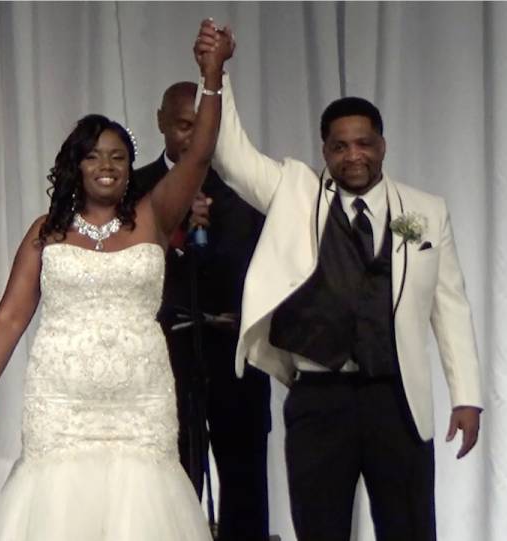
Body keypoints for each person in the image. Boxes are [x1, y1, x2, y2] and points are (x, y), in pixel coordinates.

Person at [195, 27, 484, 541]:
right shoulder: (296, 192)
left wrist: (466, 396)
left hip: (396, 397)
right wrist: (215, 76)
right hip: (319, 397)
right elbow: (230, 154)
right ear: (324, 150)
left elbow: (450, 307)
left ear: (383, 145)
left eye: (364, 144)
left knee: (410, 528)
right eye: (340, 146)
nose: (354, 156)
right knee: (319, 528)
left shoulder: (423, 211)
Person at [0, 20, 232, 541]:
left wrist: (212, 78)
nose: (107, 166)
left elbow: (199, 153)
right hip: (62, 398)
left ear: (131, 165)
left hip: (139, 396)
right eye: (94, 156)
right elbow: (12, 313)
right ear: (76, 166)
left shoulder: (154, 215)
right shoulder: (47, 233)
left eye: (117, 156)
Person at [133, 81, 271, 541]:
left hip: (235, 356)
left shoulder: (244, 184)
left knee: (245, 481)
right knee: (172, 479)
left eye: (200, 127)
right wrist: (175, 229)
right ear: (160, 122)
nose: (192, 138)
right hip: (166, 355)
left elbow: (261, 265)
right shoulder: (134, 188)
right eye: (182, 126)